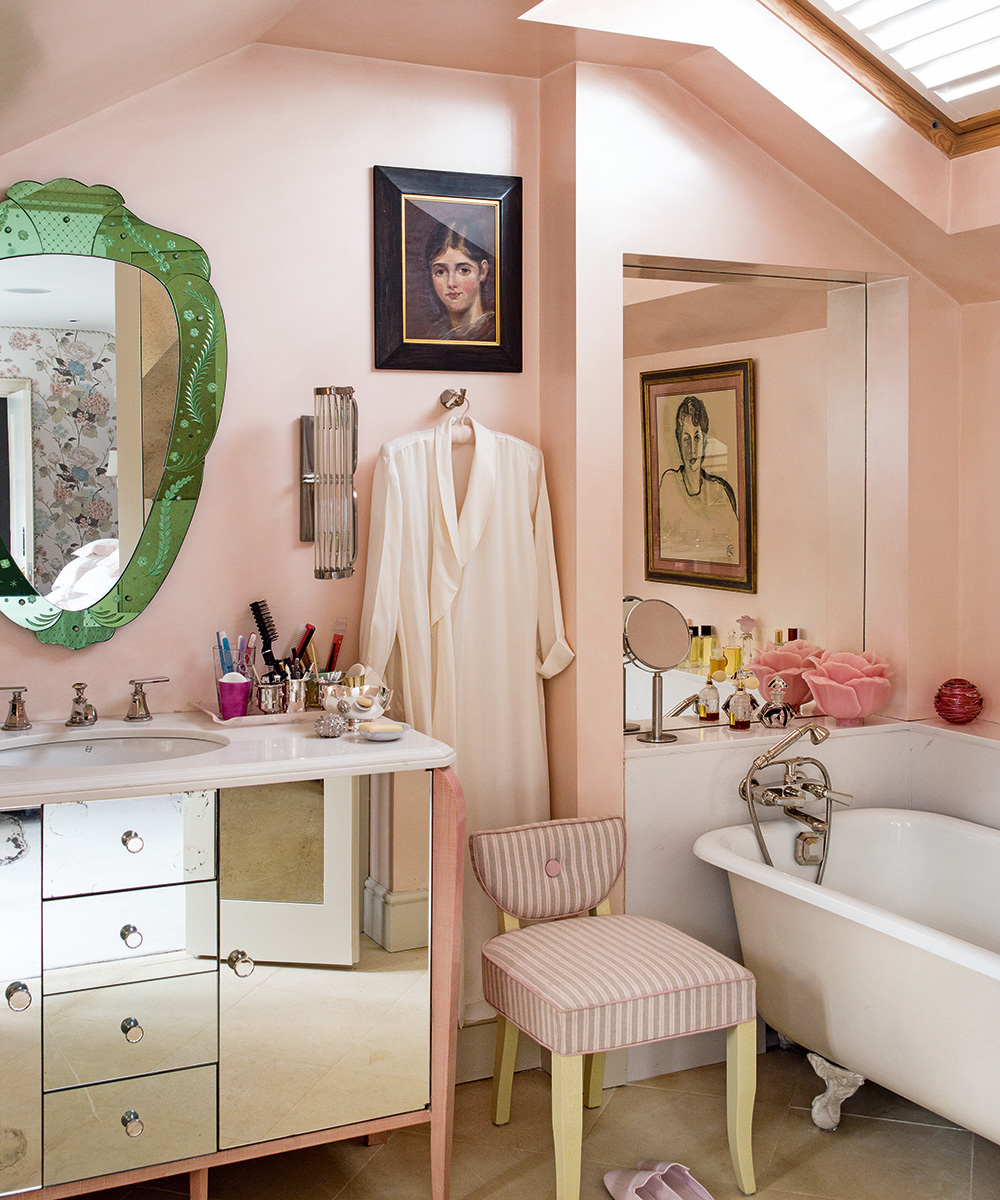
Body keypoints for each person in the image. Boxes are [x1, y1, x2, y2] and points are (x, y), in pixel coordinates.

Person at [658, 393, 739, 563]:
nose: (692, 450)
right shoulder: (668, 482)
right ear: (678, 443)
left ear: (705, 441)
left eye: (697, 438)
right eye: (686, 439)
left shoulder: (721, 490)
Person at [423, 219, 496, 342]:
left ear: (483, 271)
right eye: (440, 272)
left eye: (464, 270)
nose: (451, 283)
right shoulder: (432, 336)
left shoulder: (494, 334)